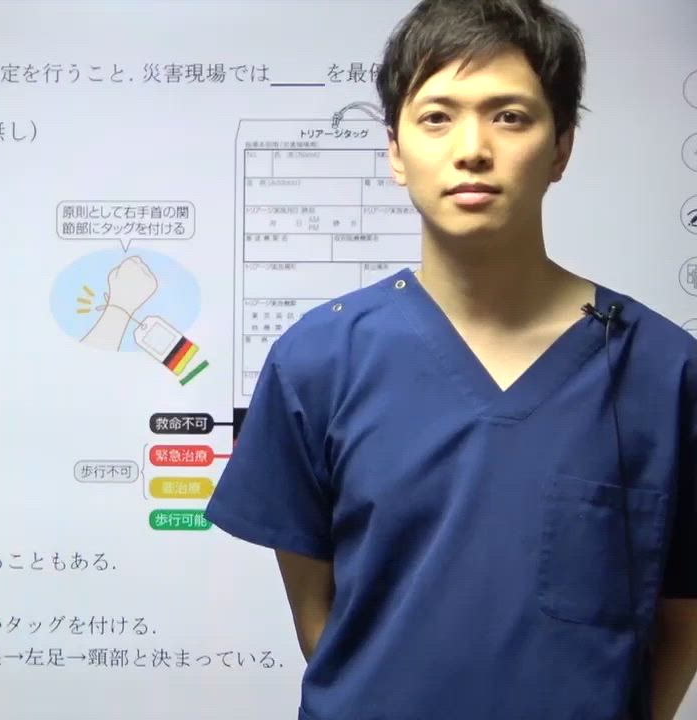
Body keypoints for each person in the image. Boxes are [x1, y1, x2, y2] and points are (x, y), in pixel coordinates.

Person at [203, 1, 697, 718]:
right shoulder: (317, 360)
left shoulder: (665, 372)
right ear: (396, 151)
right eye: (437, 117)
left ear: (561, 148)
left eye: (510, 116)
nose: (472, 148)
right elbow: (323, 625)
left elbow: (681, 617)